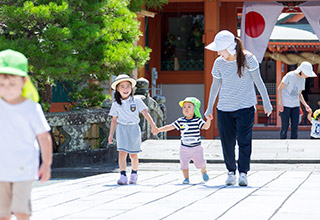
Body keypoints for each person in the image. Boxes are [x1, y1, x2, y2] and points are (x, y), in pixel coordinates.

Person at [204, 30, 272, 187]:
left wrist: (266, 102)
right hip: (224, 109)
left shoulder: (248, 59)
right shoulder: (219, 63)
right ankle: (230, 172)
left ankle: (243, 173)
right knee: (227, 142)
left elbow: (258, 81)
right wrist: (209, 108)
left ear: (229, 47)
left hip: (245, 107)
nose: (218, 52)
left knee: (244, 141)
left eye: (220, 49)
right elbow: (215, 86)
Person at [0, 49, 52, 220]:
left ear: (24, 81)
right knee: (3, 213)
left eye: (12, 84)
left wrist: (46, 164)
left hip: (24, 168)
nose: (7, 89)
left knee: (22, 210)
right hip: (1, 169)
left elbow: (44, 136)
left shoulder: (31, 107)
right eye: (2, 84)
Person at [108, 74, 157, 185]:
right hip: (121, 129)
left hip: (134, 128)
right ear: (117, 89)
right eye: (122, 87)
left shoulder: (137, 101)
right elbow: (114, 120)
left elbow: (145, 113)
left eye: (128, 86)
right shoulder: (116, 104)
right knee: (122, 153)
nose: (126, 89)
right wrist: (111, 134)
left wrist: (153, 126)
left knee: (133, 154)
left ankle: (134, 173)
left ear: (132, 88)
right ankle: (123, 175)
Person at [154, 97, 213, 184]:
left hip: (196, 148)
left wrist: (208, 120)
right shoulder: (181, 121)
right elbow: (170, 126)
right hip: (184, 148)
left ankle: (204, 171)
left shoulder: (197, 120)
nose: (186, 109)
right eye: (184, 107)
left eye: (189, 107)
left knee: (201, 163)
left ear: (195, 109)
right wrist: (159, 130)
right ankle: (186, 178)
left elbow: (206, 127)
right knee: (184, 164)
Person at [278, 61, 317, 139]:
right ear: (301, 71)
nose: (307, 76)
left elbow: (299, 94)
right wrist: (280, 103)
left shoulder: (303, 79)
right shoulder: (289, 76)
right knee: (284, 127)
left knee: (295, 128)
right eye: (306, 74)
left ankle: (293, 145)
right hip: (285, 105)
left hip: (296, 105)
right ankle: (282, 144)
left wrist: (305, 105)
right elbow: (279, 89)